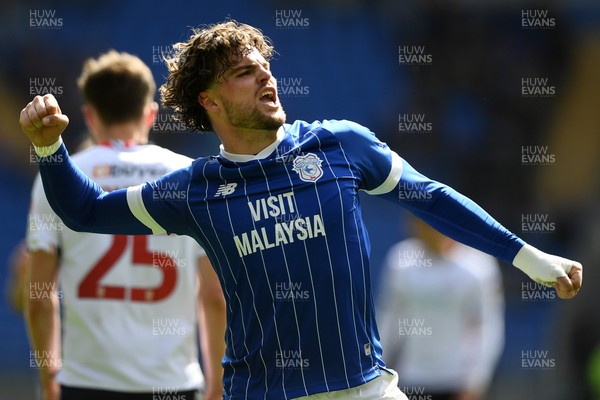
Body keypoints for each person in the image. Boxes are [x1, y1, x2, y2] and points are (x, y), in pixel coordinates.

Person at [19, 21, 582, 400]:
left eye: (264, 63)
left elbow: (429, 195)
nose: (265, 74)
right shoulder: (193, 189)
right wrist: (49, 146)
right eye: (244, 71)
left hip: (366, 388)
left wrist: (529, 258)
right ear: (209, 102)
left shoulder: (340, 144)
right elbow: (84, 210)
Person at [23, 50, 226, 400]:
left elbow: (40, 299)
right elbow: (214, 297)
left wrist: (49, 379)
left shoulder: (57, 179)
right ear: (150, 114)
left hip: (86, 384)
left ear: (88, 115)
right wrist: (217, 385)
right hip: (172, 383)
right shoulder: (190, 177)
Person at [377, 217, 504, 400]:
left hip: (456, 384)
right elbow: (389, 319)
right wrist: (379, 371)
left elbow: (488, 326)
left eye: (427, 224)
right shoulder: (400, 260)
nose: (419, 229)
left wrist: (476, 382)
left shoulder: (478, 266)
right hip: (411, 380)